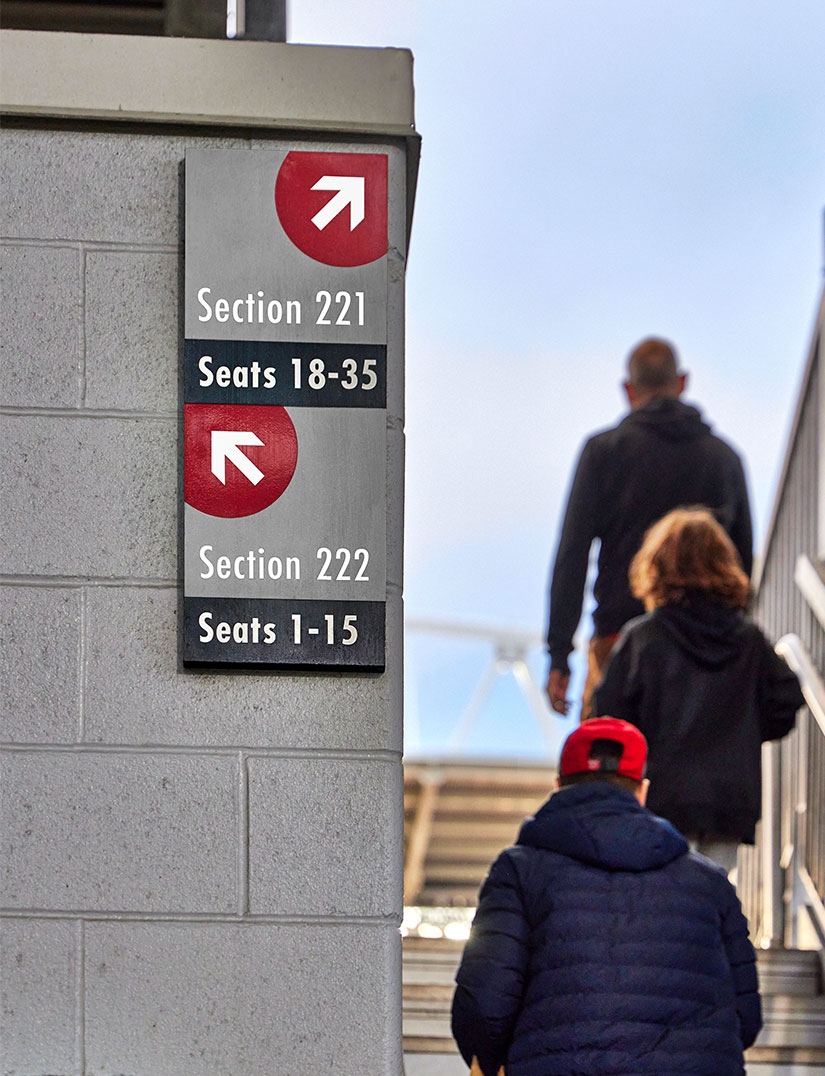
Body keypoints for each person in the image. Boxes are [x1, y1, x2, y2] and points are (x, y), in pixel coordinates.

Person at [451, 717, 762, 1076]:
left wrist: (490, 1063)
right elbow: (747, 1018)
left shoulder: (519, 870)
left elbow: (485, 1004)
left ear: (559, 786)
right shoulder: (710, 881)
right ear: (642, 789)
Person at [546, 337, 753, 720]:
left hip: (618, 640)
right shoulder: (724, 459)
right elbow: (742, 566)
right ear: (682, 382)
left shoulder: (602, 452)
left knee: (609, 765)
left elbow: (572, 554)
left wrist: (560, 654)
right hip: (704, 653)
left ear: (628, 389)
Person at [592, 507, 804, 872]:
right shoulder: (749, 640)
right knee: (710, 899)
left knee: (662, 905)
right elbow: (786, 697)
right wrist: (749, 730)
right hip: (728, 801)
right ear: (723, 564)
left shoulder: (644, 637)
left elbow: (608, 719)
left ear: (657, 564)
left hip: (659, 798)